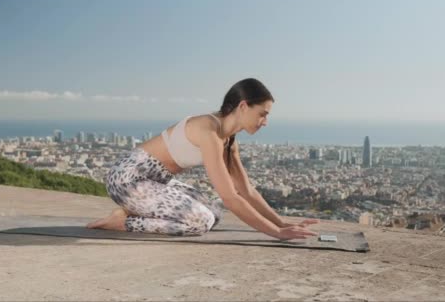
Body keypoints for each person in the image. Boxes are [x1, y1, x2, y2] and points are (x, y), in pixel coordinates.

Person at [87, 78, 319, 240]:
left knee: (214, 214)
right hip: (128, 180)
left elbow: (245, 190)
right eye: (262, 114)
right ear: (243, 106)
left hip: (155, 182)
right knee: (199, 222)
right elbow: (230, 197)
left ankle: (130, 210)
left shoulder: (228, 139)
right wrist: (276, 234)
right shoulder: (208, 131)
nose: (265, 122)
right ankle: (123, 222)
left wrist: (282, 223)